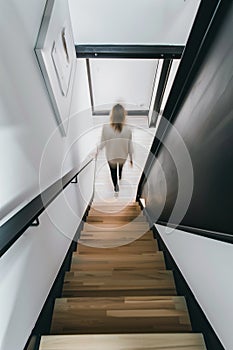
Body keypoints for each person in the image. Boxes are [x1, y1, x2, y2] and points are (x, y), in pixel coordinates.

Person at [99, 104, 133, 192]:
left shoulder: (106, 127)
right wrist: (131, 159)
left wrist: (97, 151)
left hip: (111, 157)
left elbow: (102, 143)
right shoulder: (128, 129)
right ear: (123, 115)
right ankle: (120, 175)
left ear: (112, 114)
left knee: (113, 172)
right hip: (122, 156)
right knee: (120, 165)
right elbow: (130, 145)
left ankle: (116, 186)